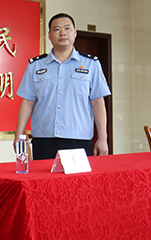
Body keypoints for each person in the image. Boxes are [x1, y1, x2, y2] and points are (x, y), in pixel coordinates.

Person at [13, 13, 111, 160]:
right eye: (57, 29)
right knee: (43, 176)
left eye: (67, 28)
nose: (62, 33)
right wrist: (19, 134)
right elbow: (28, 101)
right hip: (44, 139)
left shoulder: (91, 64)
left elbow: (97, 102)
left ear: (75, 33)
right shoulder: (36, 65)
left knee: (78, 176)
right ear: (49, 35)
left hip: (78, 139)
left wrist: (102, 138)